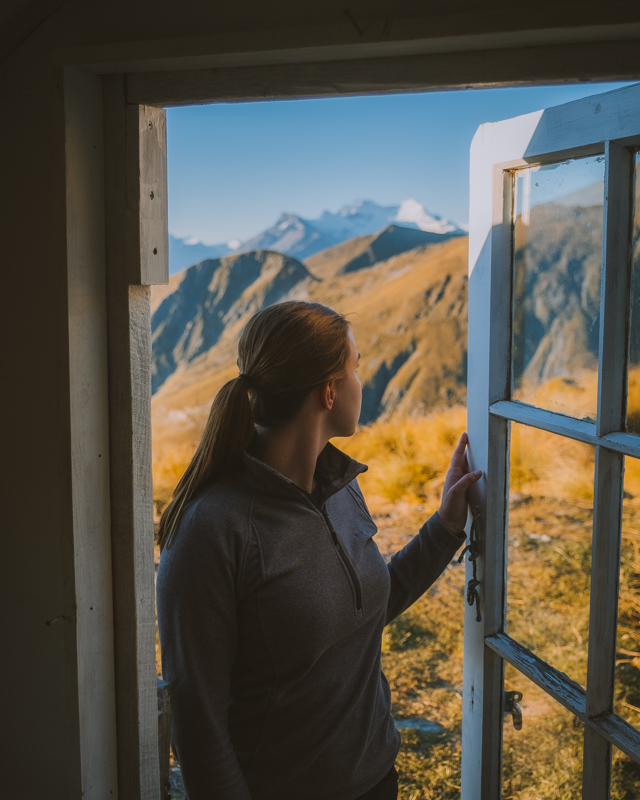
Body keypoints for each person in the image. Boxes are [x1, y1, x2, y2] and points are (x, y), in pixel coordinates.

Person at [156, 300, 482, 800]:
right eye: (355, 367)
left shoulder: (340, 485)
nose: (360, 380)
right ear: (328, 392)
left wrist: (445, 526)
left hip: (377, 778)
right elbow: (198, 721)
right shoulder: (212, 529)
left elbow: (363, 608)